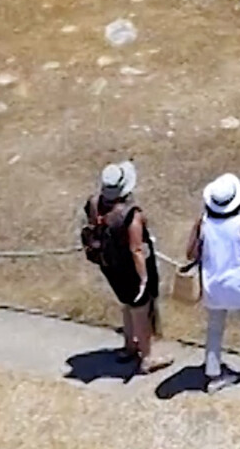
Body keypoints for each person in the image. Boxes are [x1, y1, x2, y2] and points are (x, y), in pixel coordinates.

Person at [82, 160, 171, 373]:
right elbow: (136, 249)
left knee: (126, 304)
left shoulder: (94, 204)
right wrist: (144, 278)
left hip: (109, 265)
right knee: (140, 309)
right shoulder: (131, 215)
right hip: (129, 268)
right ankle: (147, 357)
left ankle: (130, 346)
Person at [183, 173, 240, 389]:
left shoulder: (203, 223)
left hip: (213, 286)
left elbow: (190, 254)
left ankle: (214, 374)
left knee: (214, 330)